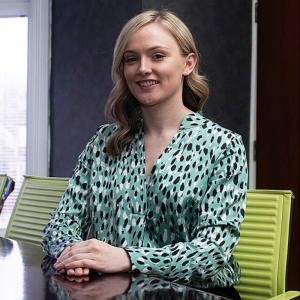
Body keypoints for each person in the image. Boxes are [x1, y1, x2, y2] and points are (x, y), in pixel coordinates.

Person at [42, 9, 247, 299]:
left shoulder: (222, 146)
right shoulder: (103, 142)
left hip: (199, 294)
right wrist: (74, 255)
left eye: (158, 56)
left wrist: (127, 258)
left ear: (188, 63)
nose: (143, 68)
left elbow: (212, 252)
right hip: (114, 292)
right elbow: (60, 224)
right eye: (131, 59)